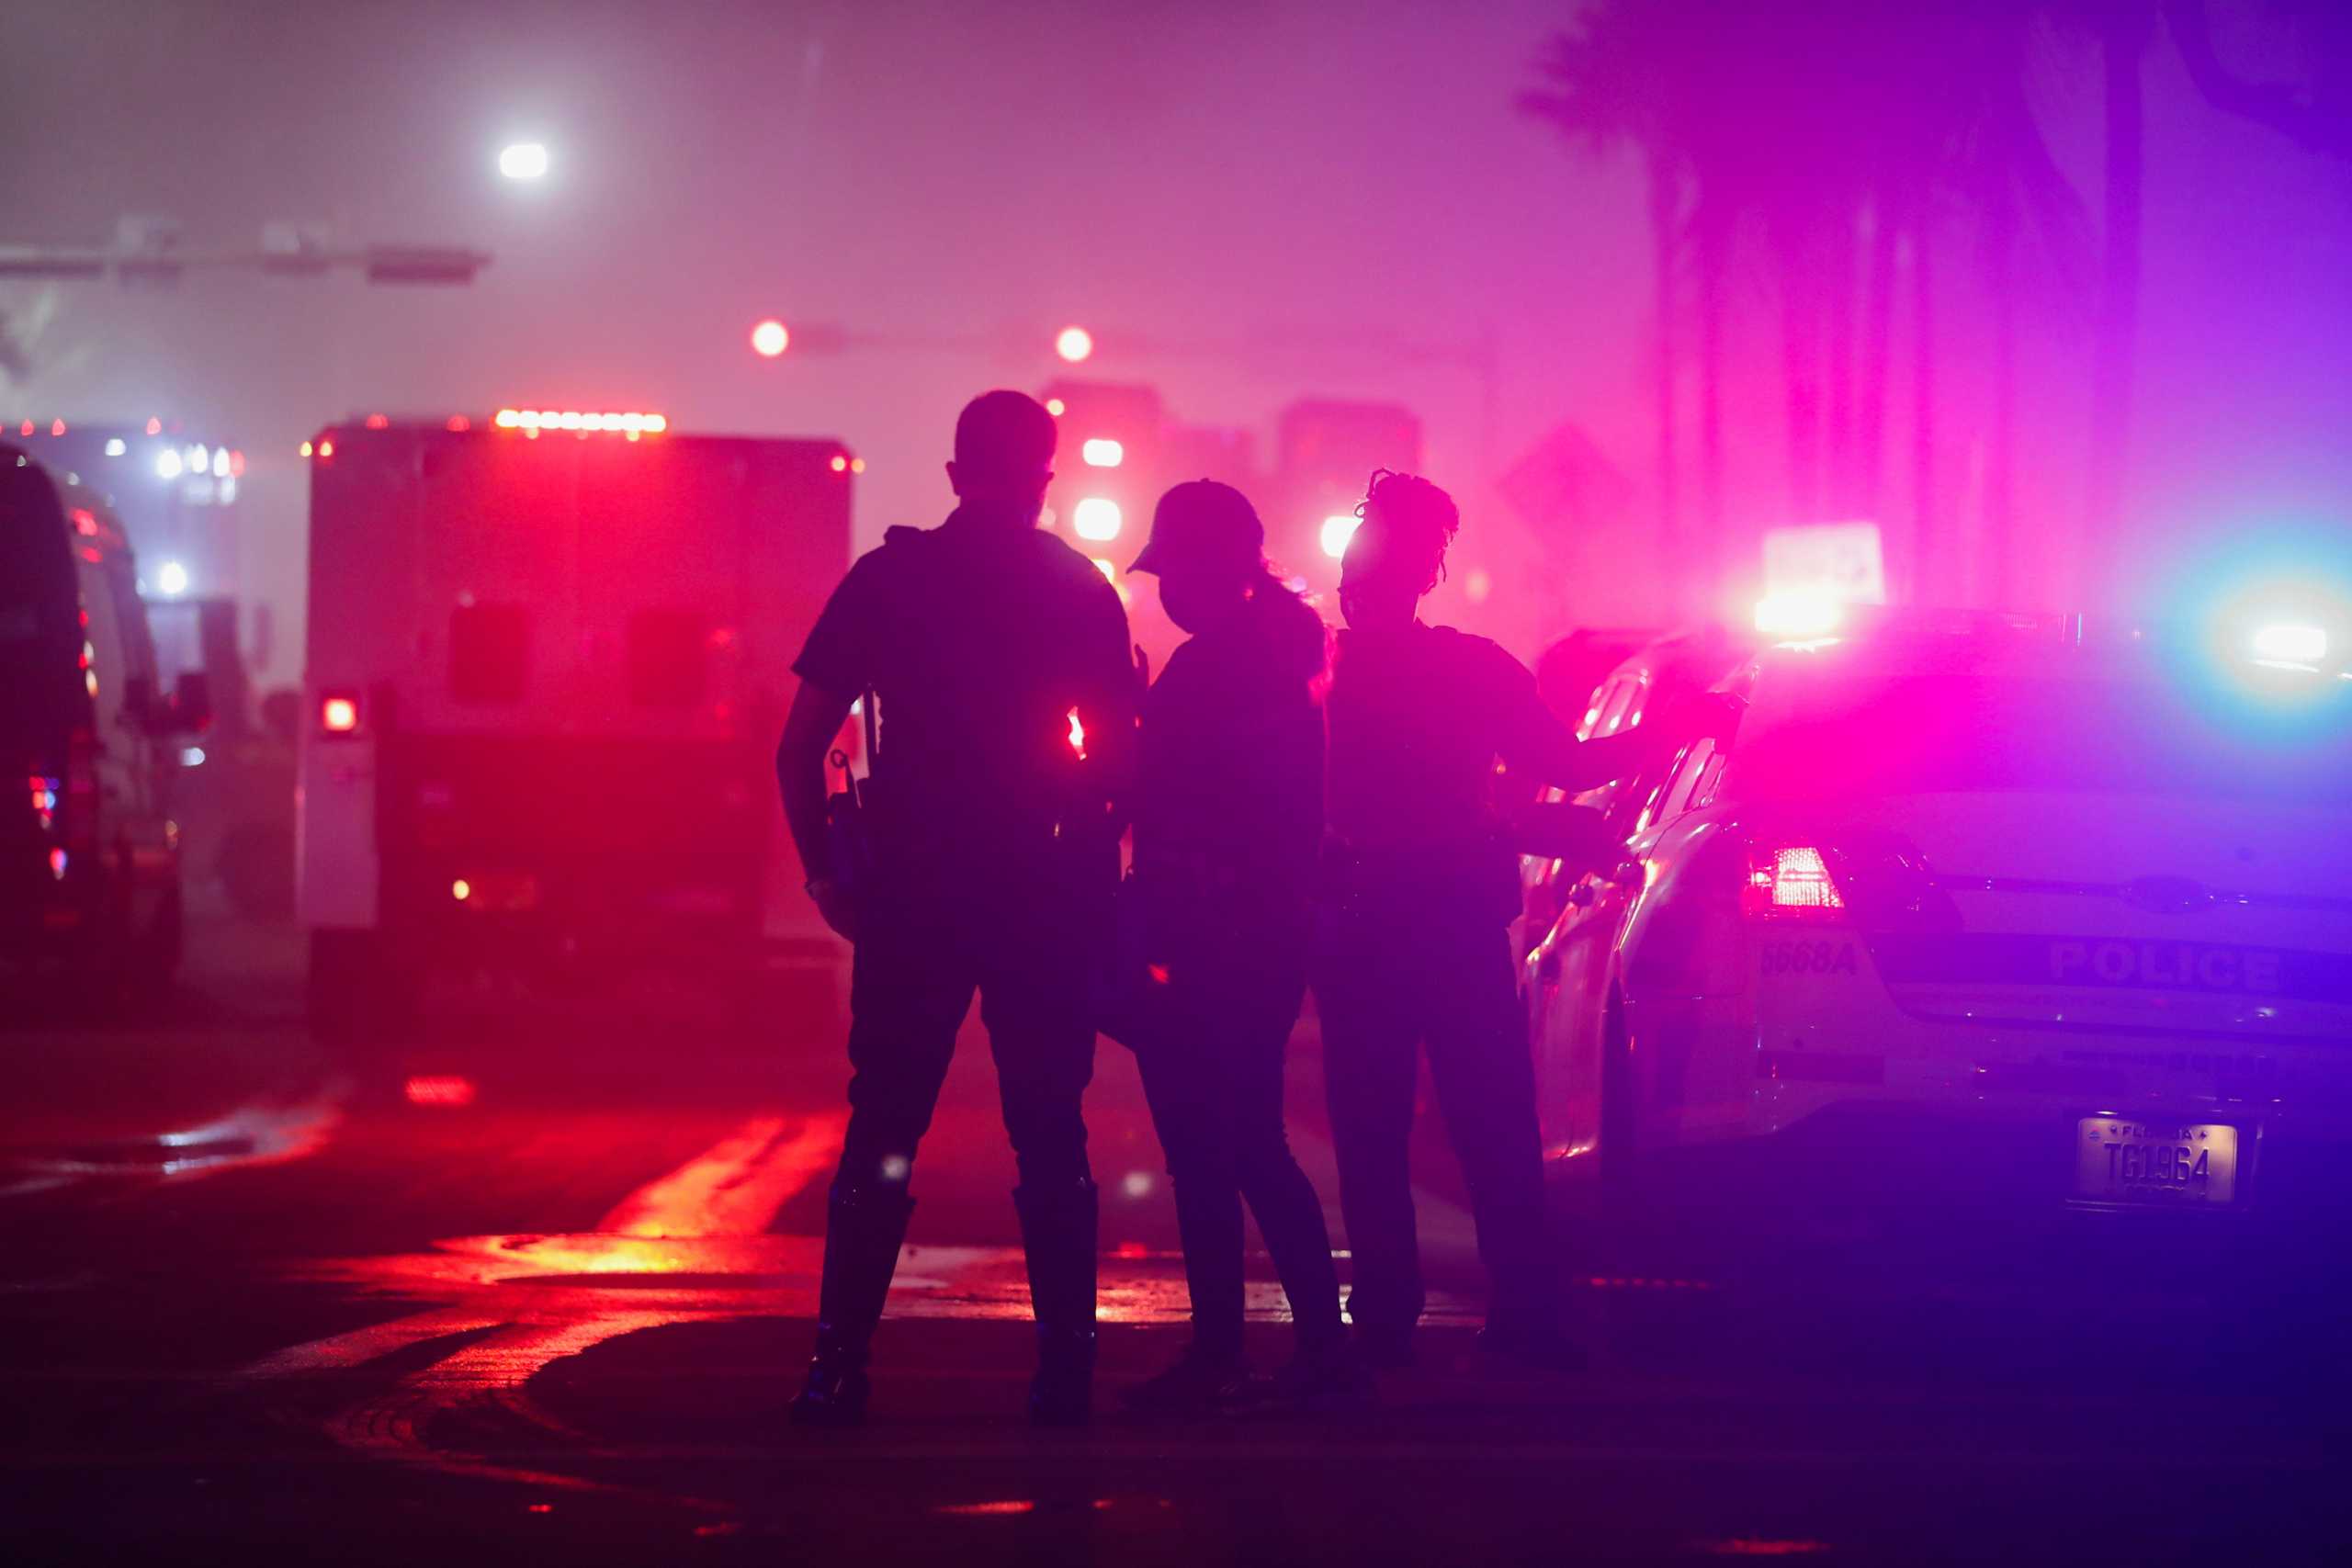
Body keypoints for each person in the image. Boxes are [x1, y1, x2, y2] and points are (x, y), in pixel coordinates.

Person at [775, 389, 1137, 1427]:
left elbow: (799, 748)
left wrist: (827, 875)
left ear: (952, 474)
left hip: (913, 896)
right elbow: (1123, 762)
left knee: (884, 1129)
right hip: (1041, 896)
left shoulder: (886, 580)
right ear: (1043, 480)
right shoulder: (1080, 590)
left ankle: (837, 1367)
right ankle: (1064, 1374)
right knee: (1050, 1134)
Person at [1316, 469, 1659, 1371]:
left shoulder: (1322, 675)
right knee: (1491, 1121)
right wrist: (1677, 729)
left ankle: (1385, 1312)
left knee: (1371, 1123)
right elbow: (1572, 766)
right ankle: (1524, 1310)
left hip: (1360, 925)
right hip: (1454, 923)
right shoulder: (1469, 669)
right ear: (1430, 570)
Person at [1116, 481, 1369, 1416]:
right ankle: (1313, 1352)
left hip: (1203, 938)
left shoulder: (1212, 669)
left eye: (1172, 571)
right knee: (1250, 1140)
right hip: (1259, 938)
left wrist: (1128, 716)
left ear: (1207, 570)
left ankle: (1236, 1353)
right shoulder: (1279, 658)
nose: (1164, 590)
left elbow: (1154, 790)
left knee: (1212, 1146)